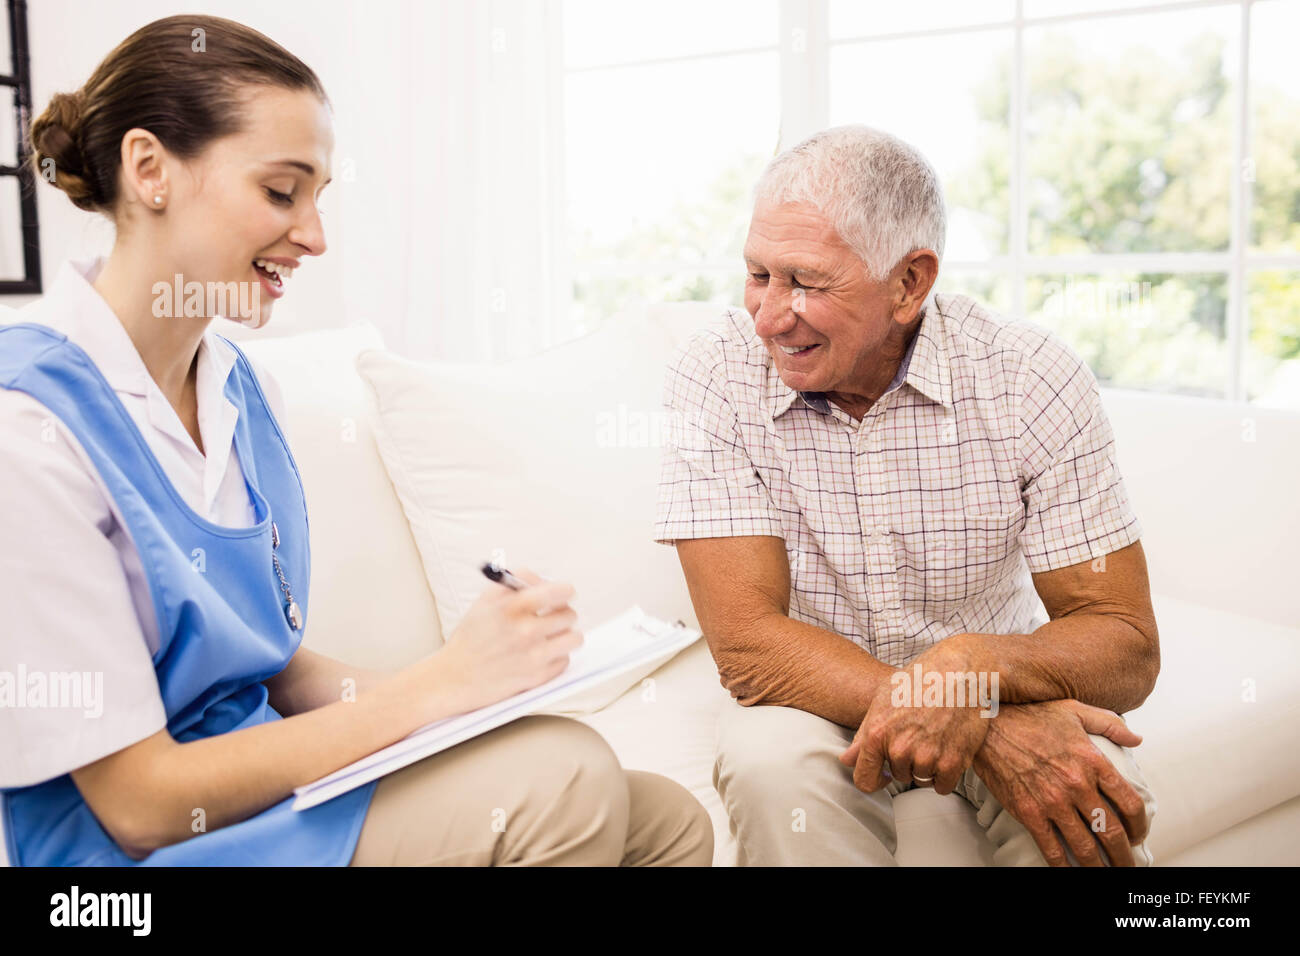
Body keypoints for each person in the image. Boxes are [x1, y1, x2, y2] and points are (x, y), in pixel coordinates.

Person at [0, 14, 711, 867]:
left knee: (664, 818)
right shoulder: (30, 427)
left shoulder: (236, 389)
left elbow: (273, 670)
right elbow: (142, 804)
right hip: (129, 861)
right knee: (565, 778)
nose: (314, 235)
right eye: (280, 191)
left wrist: (481, 681)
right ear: (149, 170)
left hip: (260, 802)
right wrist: (436, 687)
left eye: (318, 197)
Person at [654, 125, 1158, 867]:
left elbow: (1124, 640)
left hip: (1004, 677)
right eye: (758, 274)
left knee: (1091, 794)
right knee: (769, 766)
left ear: (909, 282)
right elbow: (749, 644)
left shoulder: (1029, 376)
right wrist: (971, 710)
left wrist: (970, 672)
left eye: (805, 281)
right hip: (810, 698)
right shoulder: (715, 372)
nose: (766, 315)